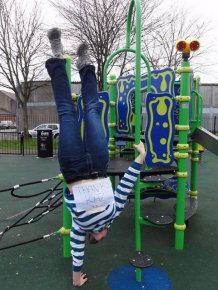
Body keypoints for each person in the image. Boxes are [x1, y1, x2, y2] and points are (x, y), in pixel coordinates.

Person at [46, 28, 146, 287]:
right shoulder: (112, 215)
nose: (104, 234)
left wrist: (76, 276)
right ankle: (85, 64)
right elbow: (124, 187)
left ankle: (57, 56)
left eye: (100, 237)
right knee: (91, 110)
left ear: (96, 236)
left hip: (74, 169)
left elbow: (77, 250)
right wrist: (139, 160)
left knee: (67, 111)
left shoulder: (81, 228)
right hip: (99, 165)